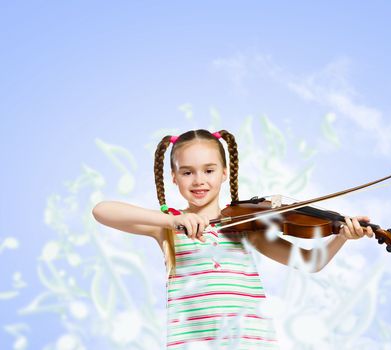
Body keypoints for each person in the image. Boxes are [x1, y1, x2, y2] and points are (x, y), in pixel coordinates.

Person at [92, 129, 374, 349]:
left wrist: (342, 237)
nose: (198, 180)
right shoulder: (169, 228)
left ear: (224, 173)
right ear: (174, 178)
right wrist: (172, 219)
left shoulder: (247, 227)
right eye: (187, 172)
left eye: (209, 170)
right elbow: (102, 211)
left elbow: (311, 262)